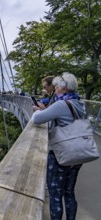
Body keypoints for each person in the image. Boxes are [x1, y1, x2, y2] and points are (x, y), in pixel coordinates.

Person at [31, 72, 85, 220]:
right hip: (78, 153)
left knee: (55, 194)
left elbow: (37, 119)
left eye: (57, 88)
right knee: (69, 192)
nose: (54, 90)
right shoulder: (79, 103)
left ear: (65, 89)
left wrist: (40, 110)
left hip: (61, 154)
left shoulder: (61, 104)